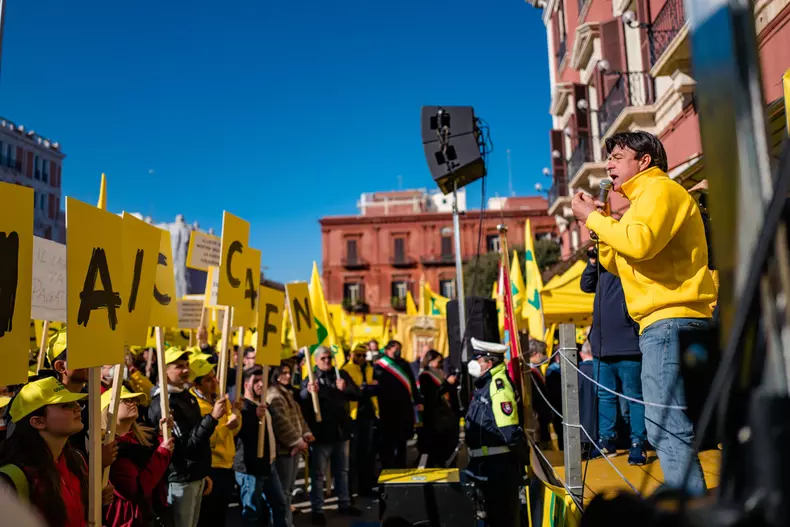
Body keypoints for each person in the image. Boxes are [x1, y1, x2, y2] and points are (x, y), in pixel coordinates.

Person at [572, 130, 717, 494]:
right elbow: (619, 262)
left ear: (644, 161)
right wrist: (599, 225)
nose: (608, 164)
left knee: (665, 423)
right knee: (669, 422)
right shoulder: (645, 200)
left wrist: (594, 219)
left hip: (669, 320)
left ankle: (693, 507)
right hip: (669, 321)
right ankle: (695, 503)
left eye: (617, 157)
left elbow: (637, 245)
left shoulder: (659, 191)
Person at [0, 377, 111, 527]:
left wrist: (94, 500)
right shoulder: (13, 478)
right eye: (66, 405)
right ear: (38, 422)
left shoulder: (76, 459)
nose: (77, 407)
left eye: (75, 402)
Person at [580, 245, 648, 465]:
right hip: (602, 347)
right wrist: (592, 261)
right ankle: (606, 440)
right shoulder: (602, 264)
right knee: (605, 396)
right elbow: (585, 285)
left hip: (628, 345)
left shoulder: (632, 260)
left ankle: (637, 443)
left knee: (634, 398)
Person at [148, 347, 225, 527]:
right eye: (178, 366)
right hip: (180, 480)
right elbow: (187, 446)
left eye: (186, 365)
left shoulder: (185, 396)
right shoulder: (164, 404)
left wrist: (202, 473)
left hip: (194, 476)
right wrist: (212, 418)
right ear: (164, 372)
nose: (185, 370)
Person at [464, 338, 528, 527]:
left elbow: (508, 430)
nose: (476, 363)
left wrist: (523, 461)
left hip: (497, 471)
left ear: (489, 363)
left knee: (503, 520)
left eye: (479, 359)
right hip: (483, 468)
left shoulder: (498, 386)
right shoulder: (485, 384)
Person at [301, 347, 362, 525]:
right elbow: (302, 399)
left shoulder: (340, 374)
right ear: (316, 361)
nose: (327, 361)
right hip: (321, 434)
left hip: (341, 432)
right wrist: (309, 392)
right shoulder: (311, 378)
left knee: (342, 471)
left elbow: (357, 394)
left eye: (329, 358)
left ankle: (344, 503)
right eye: (324, 358)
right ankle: (317, 509)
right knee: (318, 474)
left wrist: (346, 387)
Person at [102, 387, 175, 527]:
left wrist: (161, 436)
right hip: (128, 520)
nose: (133, 403)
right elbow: (135, 490)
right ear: (108, 410)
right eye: (126, 400)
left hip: (146, 514)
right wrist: (162, 453)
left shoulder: (138, 439)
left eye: (134, 400)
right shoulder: (112, 448)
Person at [234, 366, 288, 527]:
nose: (260, 385)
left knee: (279, 505)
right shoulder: (241, 407)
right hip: (249, 469)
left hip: (268, 465)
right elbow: (238, 433)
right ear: (245, 385)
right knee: (251, 512)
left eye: (263, 381)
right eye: (256, 381)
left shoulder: (263, 404)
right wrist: (254, 417)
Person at [190, 358, 241, 527]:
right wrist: (226, 425)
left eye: (214, 376)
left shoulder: (219, 399)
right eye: (208, 379)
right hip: (211, 468)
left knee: (220, 516)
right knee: (208, 517)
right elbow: (206, 439)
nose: (215, 381)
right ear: (197, 384)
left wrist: (236, 417)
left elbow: (232, 433)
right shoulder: (195, 405)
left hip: (226, 465)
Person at [267, 363, 314, 527]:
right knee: (283, 493)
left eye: (289, 372)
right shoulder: (274, 396)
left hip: (293, 449)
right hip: (284, 451)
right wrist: (297, 441)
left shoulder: (286, 392)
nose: (288, 376)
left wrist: (306, 433)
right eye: (283, 373)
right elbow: (281, 424)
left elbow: (298, 417)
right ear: (275, 375)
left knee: (287, 492)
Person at [374, 340, 422, 469]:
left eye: (400, 349)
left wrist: (417, 400)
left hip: (403, 407)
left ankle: (401, 466)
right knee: (388, 442)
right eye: (395, 349)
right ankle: (388, 468)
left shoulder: (404, 364)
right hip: (388, 408)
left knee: (402, 440)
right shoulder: (380, 366)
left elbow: (411, 383)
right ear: (388, 350)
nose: (398, 352)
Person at [341, 344, 379, 495]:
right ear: (352, 355)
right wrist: (364, 389)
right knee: (353, 455)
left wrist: (366, 389)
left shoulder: (370, 368)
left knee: (367, 453)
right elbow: (354, 391)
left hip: (369, 413)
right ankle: (350, 490)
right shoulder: (346, 369)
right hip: (353, 415)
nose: (362, 358)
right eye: (358, 355)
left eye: (364, 355)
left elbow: (374, 388)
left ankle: (366, 487)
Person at [417, 350, 458, 467]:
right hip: (434, 414)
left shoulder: (440, 373)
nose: (440, 364)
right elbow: (432, 395)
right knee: (436, 444)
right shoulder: (425, 376)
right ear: (430, 361)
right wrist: (447, 384)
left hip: (444, 413)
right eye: (438, 362)